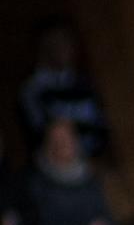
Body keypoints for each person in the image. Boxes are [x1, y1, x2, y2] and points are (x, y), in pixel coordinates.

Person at [17, 17, 107, 154]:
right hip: (58, 163)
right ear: (42, 47)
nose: (64, 48)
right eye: (55, 42)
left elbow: (101, 126)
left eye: (67, 41)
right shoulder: (33, 90)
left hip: (96, 157)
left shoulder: (85, 82)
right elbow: (38, 134)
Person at [24, 117, 113, 225]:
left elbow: (108, 217)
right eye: (56, 139)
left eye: (67, 137)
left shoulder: (94, 173)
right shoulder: (36, 184)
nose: (63, 144)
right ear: (47, 144)